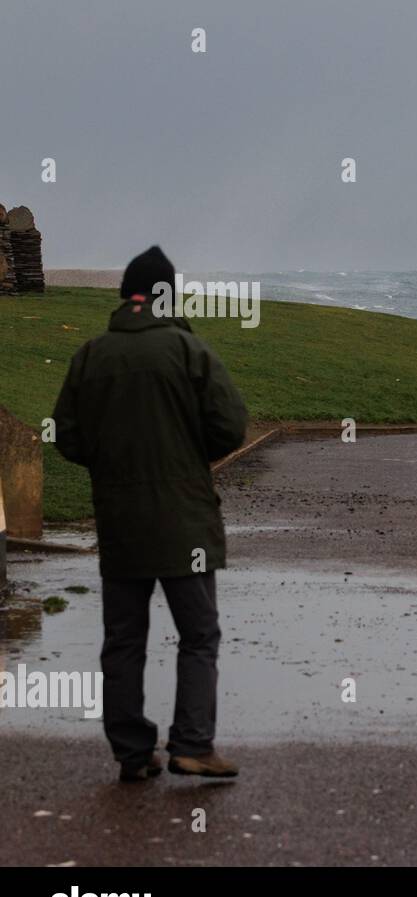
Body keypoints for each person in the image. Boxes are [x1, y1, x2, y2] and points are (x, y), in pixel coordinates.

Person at [53, 246, 248, 781]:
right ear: (166, 295)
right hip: (184, 518)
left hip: (120, 521)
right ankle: (191, 744)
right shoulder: (189, 351)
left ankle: (132, 753)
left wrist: (110, 462)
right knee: (198, 634)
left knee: (123, 639)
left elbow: (66, 436)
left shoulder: (91, 356)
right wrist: (188, 457)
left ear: (124, 297)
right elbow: (230, 427)